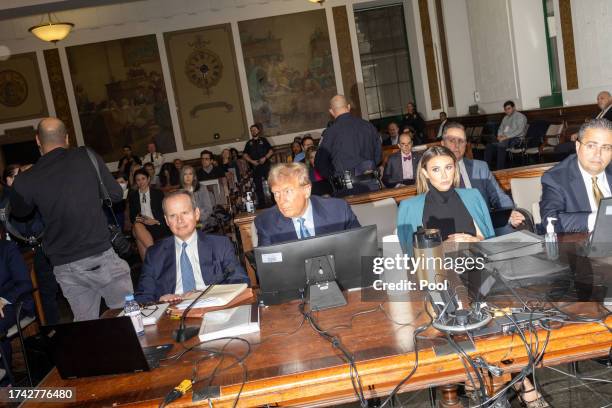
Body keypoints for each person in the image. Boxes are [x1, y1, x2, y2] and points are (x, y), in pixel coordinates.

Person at [10, 117, 132, 321]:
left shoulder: (27, 178)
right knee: (126, 317)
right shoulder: (87, 156)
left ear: (38, 141)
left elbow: (20, 213)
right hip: (101, 253)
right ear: (66, 138)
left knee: (85, 325)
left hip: (65, 264)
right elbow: (116, 195)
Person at [135, 190, 248, 303]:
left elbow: (240, 280)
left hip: (212, 306)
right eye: (173, 215)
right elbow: (142, 296)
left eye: (185, 213)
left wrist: (206, 294)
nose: (180, 220)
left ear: (196, 214)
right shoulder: (154, 254)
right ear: (166, 220)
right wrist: (159, 301)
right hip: (171, 312)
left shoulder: (220, 245)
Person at [397, 146, 495, 254]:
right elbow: (408, 257)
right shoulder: (409, 207)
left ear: (455, 168)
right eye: (436, 169)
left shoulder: (473, 196)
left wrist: (475, 241)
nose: (444, 176)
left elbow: (489, 240)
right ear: (425, 173)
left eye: (448, 167)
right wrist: (443, 248)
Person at [441, 122, 525, 234]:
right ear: (442, 144)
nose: (457, 145)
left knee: (512, 233)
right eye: (452, 140)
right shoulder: (435, 172)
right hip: (455, 229)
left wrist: (510, 213)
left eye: (461, 141)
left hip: (485, 224)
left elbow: (499, 196)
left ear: (466, 144)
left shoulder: (480, 167)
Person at [254, 163, 361, 246]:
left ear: (307, 190)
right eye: (276, 193)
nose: (281, 200)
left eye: (288, 191)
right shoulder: (266, 222)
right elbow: (267, 270)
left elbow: (364, 247)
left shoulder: (338, 210)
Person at [540, 118, 612, 233]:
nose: (598, 154)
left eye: (606, 147)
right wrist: (600, 220)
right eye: (591, 146)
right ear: (578, 146)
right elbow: (551, 221)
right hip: (582, 246)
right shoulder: (555, 178)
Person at [315, 95, 381, 193]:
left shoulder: (330, 132)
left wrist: (336, 177)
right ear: (349, 107)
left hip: (347, 188)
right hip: (372, 185)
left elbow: (320, 163)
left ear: (331, 112)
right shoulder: (368, 126)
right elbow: (378, 156)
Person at [0, 240, 34, 385]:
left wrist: (2, 299)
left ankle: (5, 381)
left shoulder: (8, 249)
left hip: (15, 302)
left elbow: (25, 283)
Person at [128, 168, 171, 260]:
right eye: (138, 180)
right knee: (137, 226)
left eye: (143, 179)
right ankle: (155, 254)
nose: (141, 182)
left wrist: (154, 221)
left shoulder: (158, 193)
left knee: (139, 240)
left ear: (148, 179)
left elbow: (165, 212)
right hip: (142, 225)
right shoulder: (133, 196)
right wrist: (144, 220)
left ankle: (149, 267)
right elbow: (132, 217)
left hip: (158, 224)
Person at [555, 91, 612, 156]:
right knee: (562, 148)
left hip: (599, 142)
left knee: (561, 148)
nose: (599, 101)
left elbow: (602, 128)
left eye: (602, 98)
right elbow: (592, 126)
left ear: (610, 99)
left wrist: (581, 135)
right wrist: (579, 134)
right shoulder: (602, 112)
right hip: (591, 140)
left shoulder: (610, 111)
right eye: (598, 99)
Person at [484, 100, 527, 170]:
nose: (507, 111)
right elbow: (501, 128)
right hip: (504, 138)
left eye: (509, 108)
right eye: (505, 109)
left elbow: (520, 130)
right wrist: (499, 135)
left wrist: (506, 137)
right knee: (489, 145)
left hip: (517, 138)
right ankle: (486, 168)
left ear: (514, 108)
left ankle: (500, 169)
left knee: (501, 145)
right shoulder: (505, 118)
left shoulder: (520, 117)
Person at [242, 123, 273, 206]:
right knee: (258, 186)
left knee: (271, 183)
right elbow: (244, 154)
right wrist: (252, 161)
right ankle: (262, 204)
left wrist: (265, 158)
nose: (253, 131)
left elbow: (271, 151)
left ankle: (275, 201)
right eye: (251, 130)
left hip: (265, 165)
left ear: (258, 131)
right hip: (255, 166)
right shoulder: (249, 143)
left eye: (254, 130)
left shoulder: (264, 140)